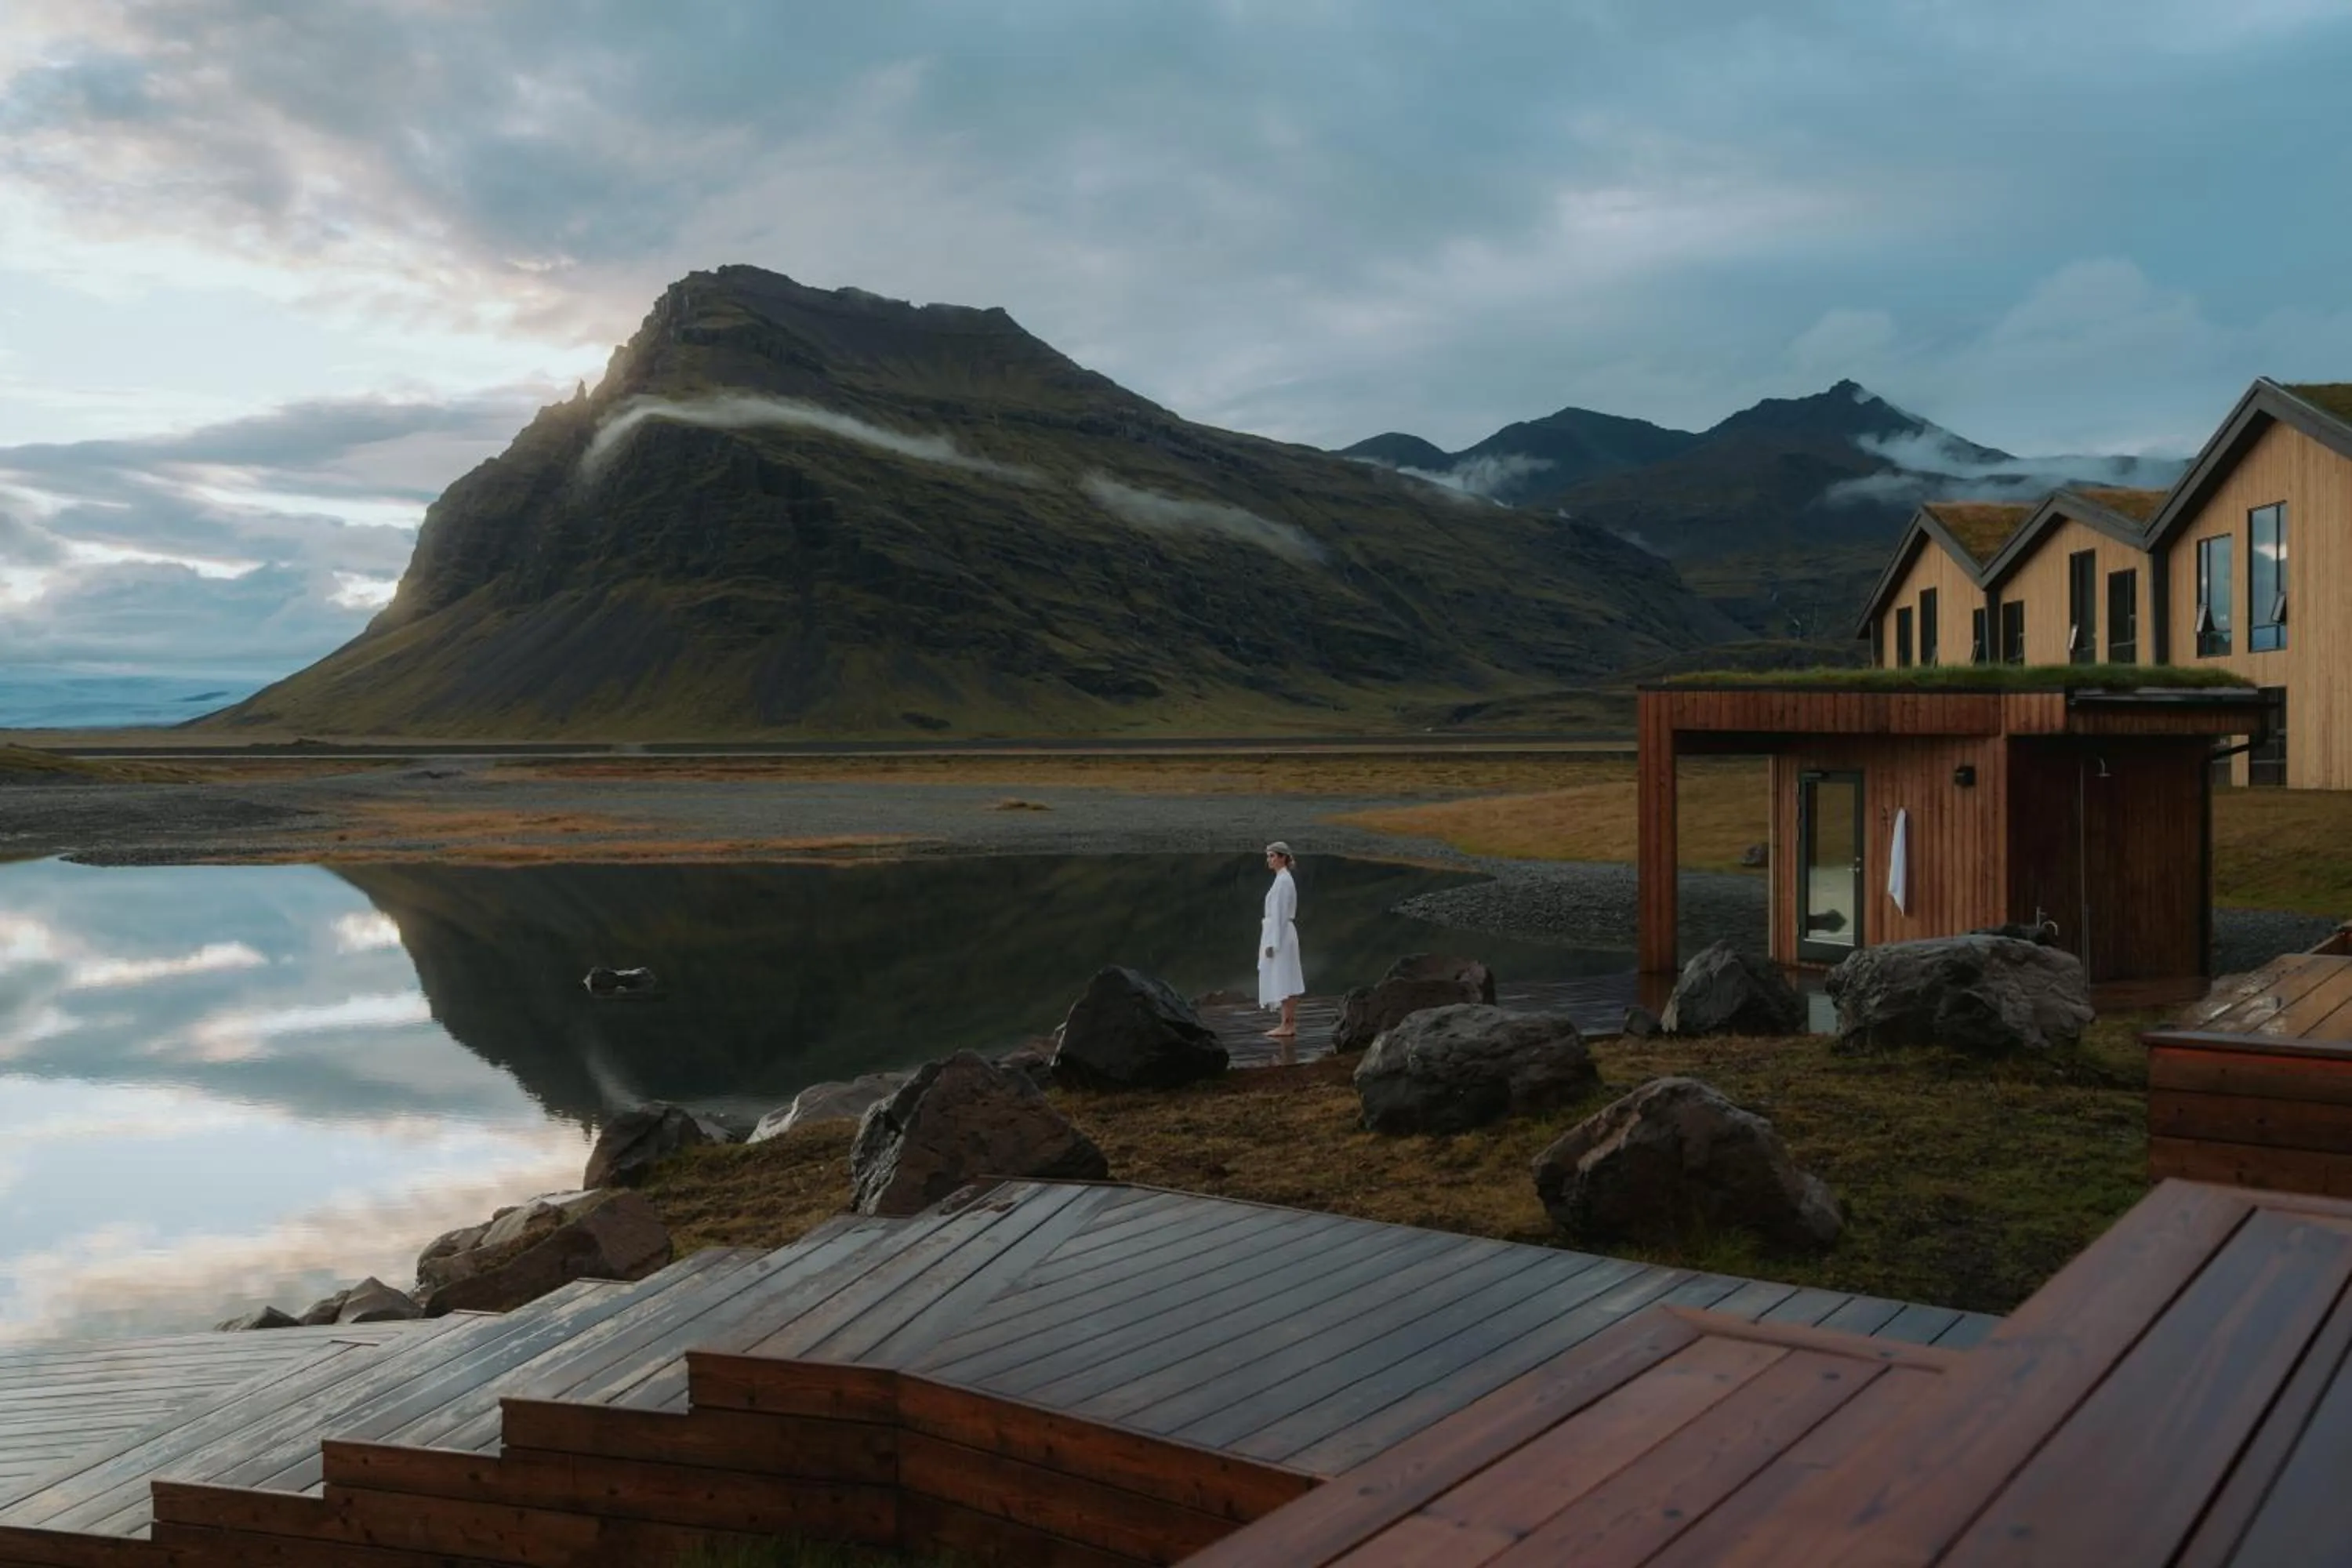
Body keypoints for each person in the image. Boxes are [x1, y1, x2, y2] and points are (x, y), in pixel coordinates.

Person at [1258, 842, 1305, 1038]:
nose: (1269, 860)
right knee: (1287, 976)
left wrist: (1272, 943)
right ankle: (1287, 1023)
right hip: (1283, 932)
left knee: (1285, 976)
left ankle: (1287, 1024)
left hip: (1282, 934)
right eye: (1268, 856)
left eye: (1272, 856)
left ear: (1283, 857)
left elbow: (1279, 914)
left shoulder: (1284, 881)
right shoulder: (1282, 879)